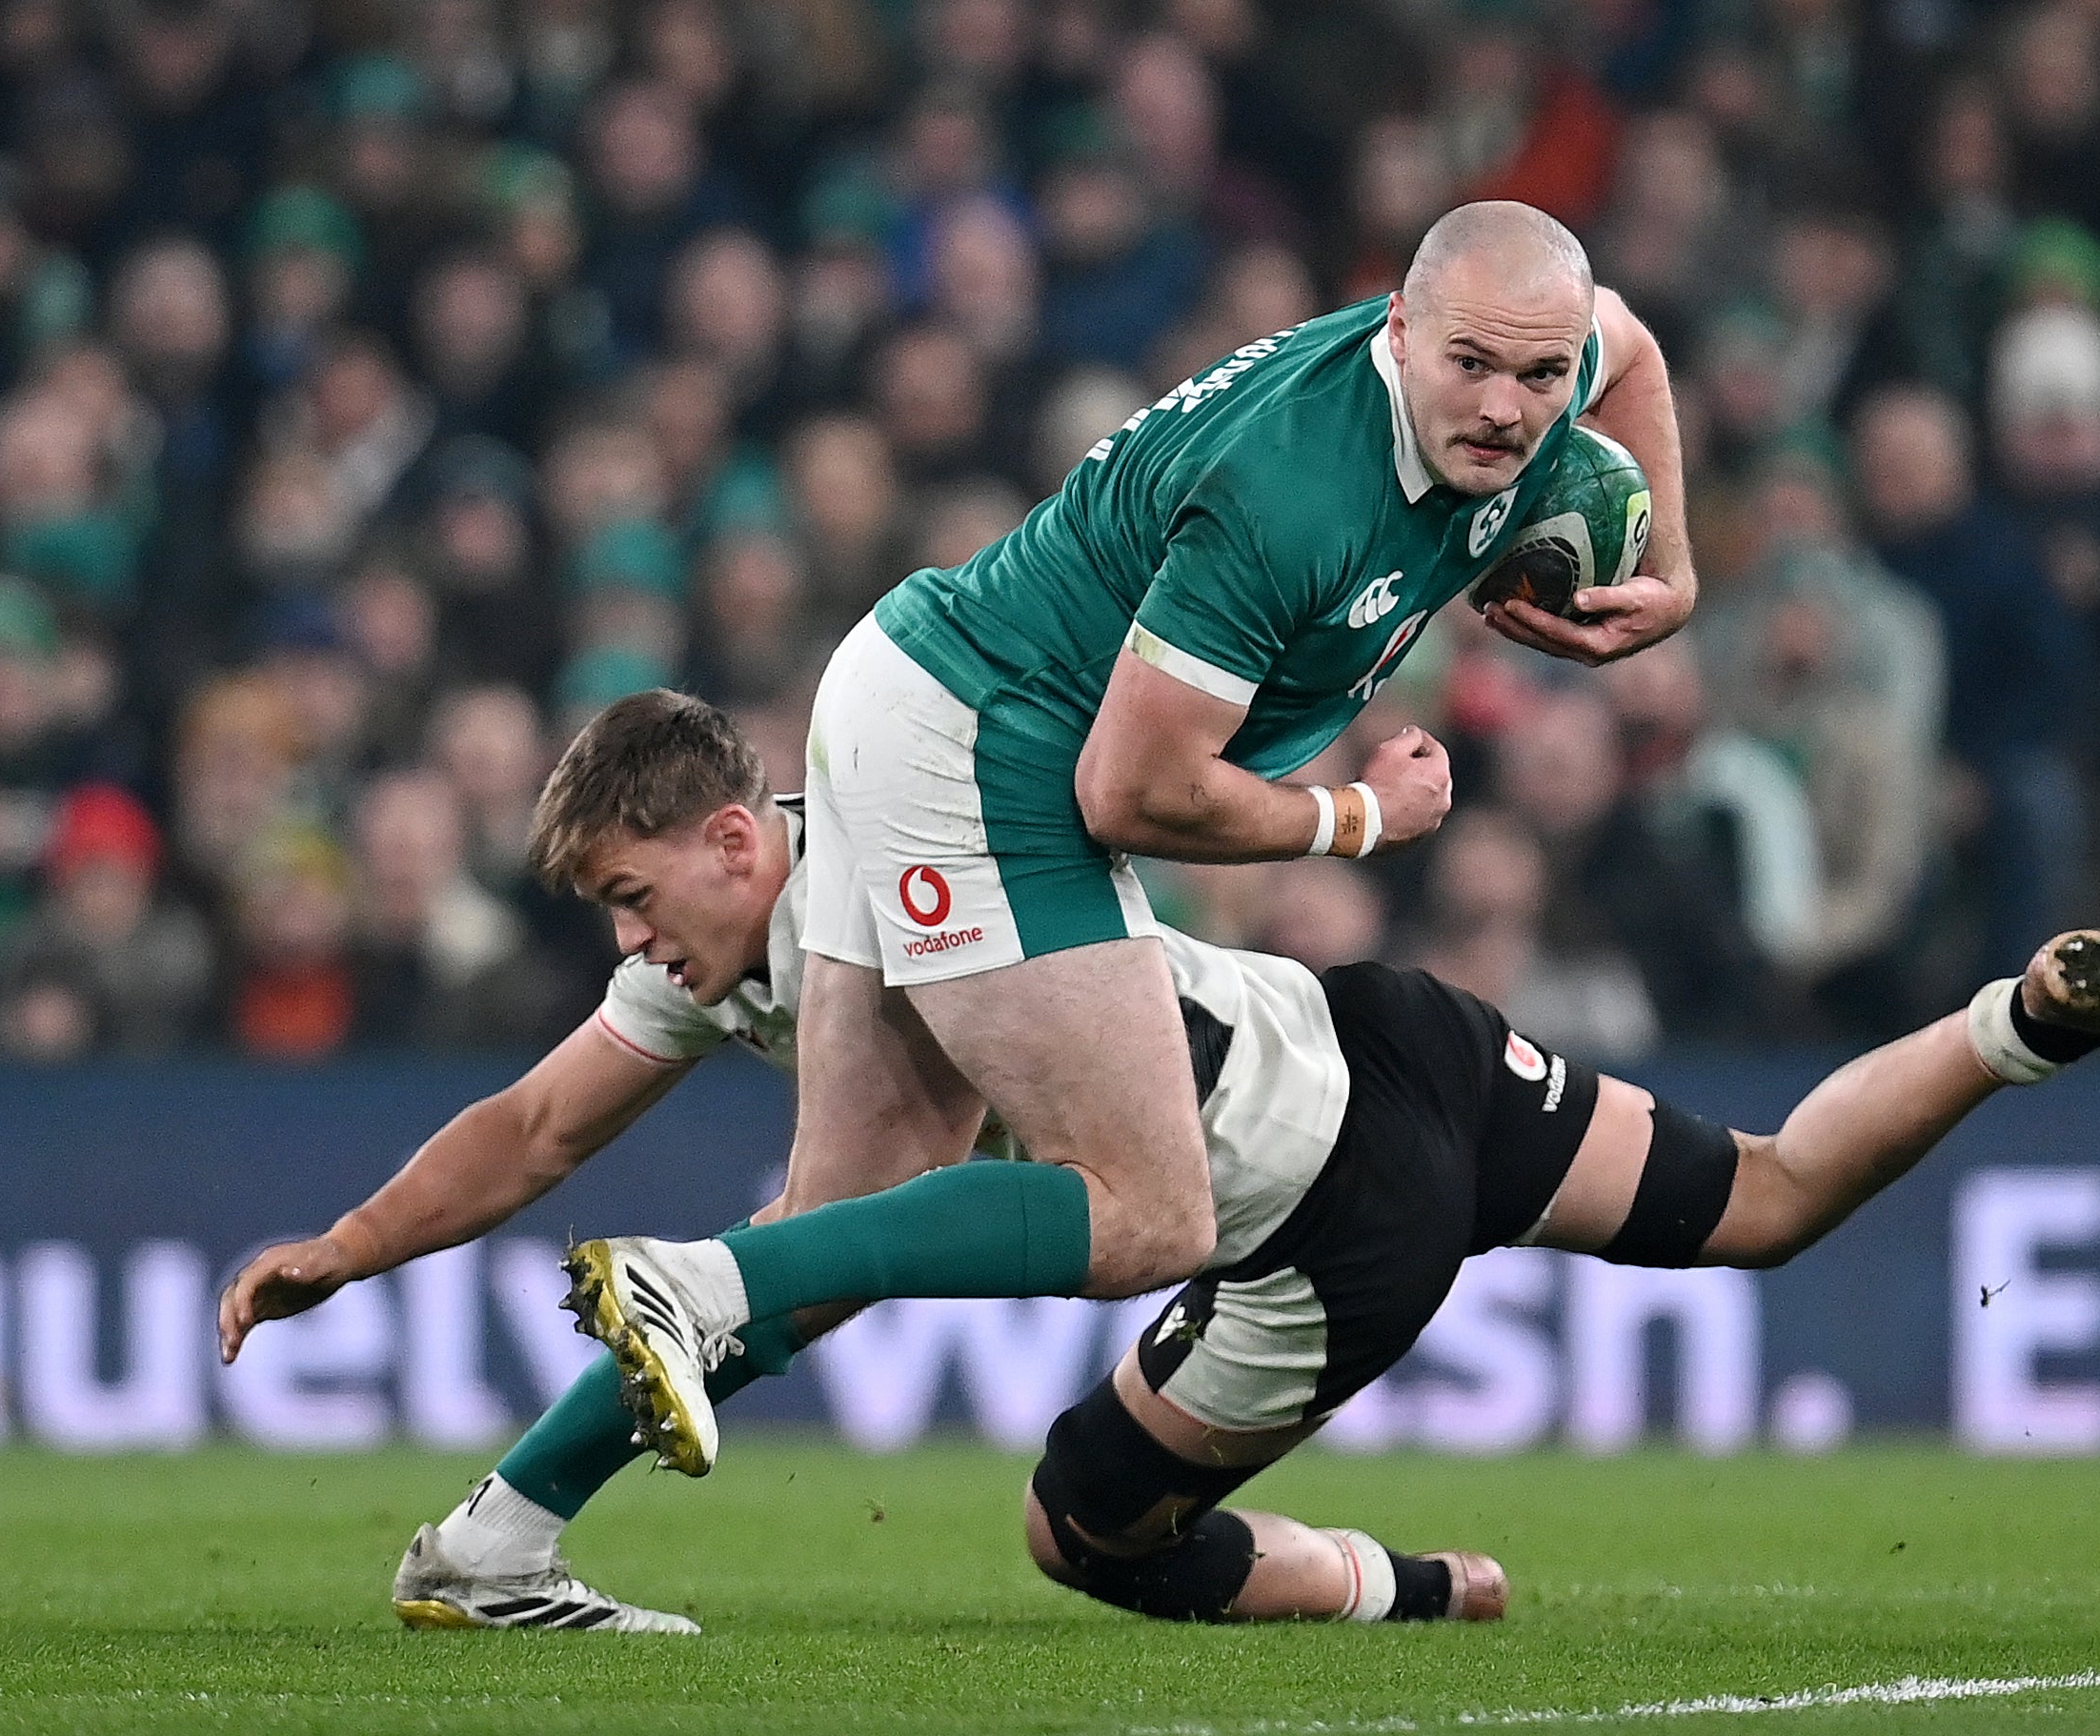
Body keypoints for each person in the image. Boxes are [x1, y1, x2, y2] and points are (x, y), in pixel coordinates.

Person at [218, 690, 2100, 1632]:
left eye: (631, 896)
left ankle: (1420, 1588)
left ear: (731, 835)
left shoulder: (880, 879)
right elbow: (534, 1122)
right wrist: (349, 1241)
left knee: (1082, 1525)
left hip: (1325, 1211)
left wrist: (1342, 802)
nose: (628, 944)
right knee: (1768, 1196)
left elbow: (856, 1206)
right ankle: (2027, 1014)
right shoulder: (806, 898)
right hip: (1392, 1032)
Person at [576, 198, 1698, 1484]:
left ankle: (500, 1531)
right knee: (1152, 1215)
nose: (1506, 406)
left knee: (840, 1221)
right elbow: (1131, 794)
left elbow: (1632, 341)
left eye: (1542, 375)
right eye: (1472, 364)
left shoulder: (1531, 344)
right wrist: (1357, 818)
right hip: (988, 741)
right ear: (1398, 328)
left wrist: (1672, 574)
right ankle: (700, 1282)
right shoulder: (1294, 495)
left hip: (932, 688)